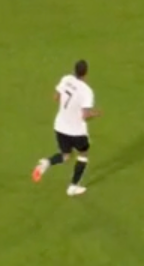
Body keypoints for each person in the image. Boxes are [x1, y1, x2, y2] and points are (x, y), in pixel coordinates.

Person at [31, 59, 97, 197]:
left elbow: (56, 97)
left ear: (74, 70)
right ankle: (73, 187)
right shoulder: (87, 91)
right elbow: (85, 116)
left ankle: (46, 163)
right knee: (83, 155)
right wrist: (95, 114)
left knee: (66, 156)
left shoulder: (66, 79)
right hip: (77, 131)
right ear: (86, 73)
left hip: (60, 126)